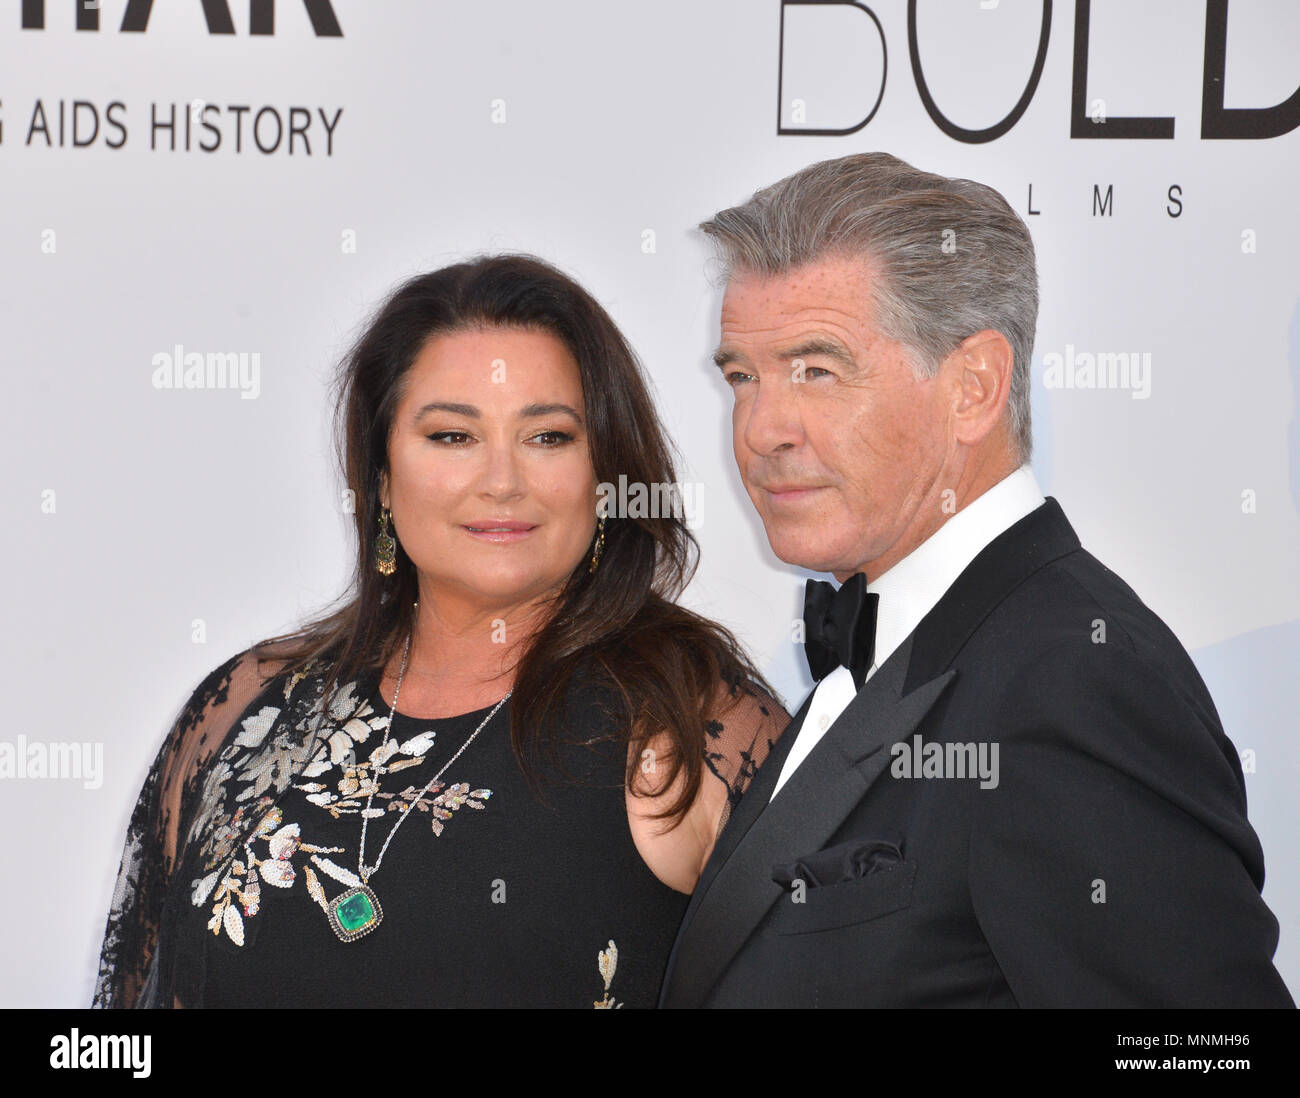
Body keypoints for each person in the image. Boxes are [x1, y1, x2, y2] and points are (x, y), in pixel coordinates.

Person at [659, 152, 1295, 1008]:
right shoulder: (893, 643)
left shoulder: (1076, 680)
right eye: (743, 376)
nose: (762, 428)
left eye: (817, 369)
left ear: (974, 387)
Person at [92, 253, 789, 1009]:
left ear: (606, 470)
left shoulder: (686, 717)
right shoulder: (247, 709)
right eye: (453, 436)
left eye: (548, 437)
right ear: (383, 477)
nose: (501, 480)